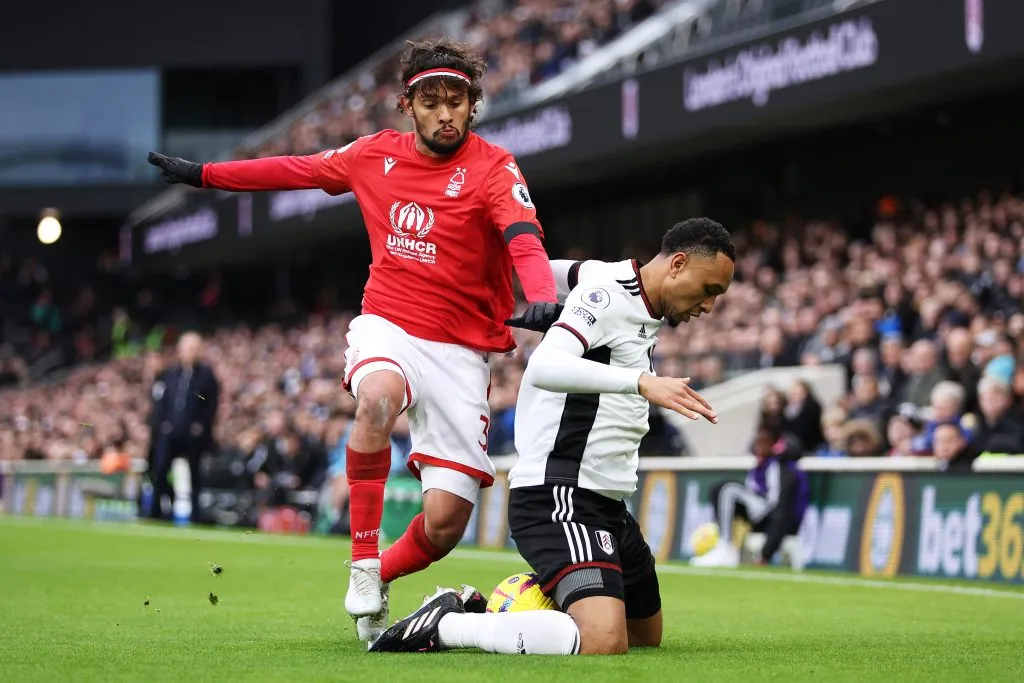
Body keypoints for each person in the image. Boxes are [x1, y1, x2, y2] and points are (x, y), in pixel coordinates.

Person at [147, 38, 561, 641]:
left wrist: (538, 291)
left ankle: (383, 576)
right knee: (375, 399)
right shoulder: (373, 156)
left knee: (445, 525)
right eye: (431, 100)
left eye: (457, 100)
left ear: (473, 106)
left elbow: (522, 234)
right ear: (406, 105)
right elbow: (295, 169)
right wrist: (207, 176)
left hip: (461, 352)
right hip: (388, 323)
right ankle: (363, 562)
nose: (445, 112)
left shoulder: (495, 167)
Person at [369, 217, 735, 655]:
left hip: (606, 504)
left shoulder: (610, 280)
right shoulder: (609, 296)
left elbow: (547, 271)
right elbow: (543, 367)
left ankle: (509, 607)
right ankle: (447, 625)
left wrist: (544, 295)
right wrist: (641, 381)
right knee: (603, 640)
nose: (709, 306)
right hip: (560, 495)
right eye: (709, 289)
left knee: (643, 636)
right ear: (677, 264)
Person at [691, 423, 809, 568]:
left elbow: (781, 509)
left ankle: (726, 548)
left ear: (774, 445)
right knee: (718, 490)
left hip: (772, 516)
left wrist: (766, 552)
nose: (758, 445)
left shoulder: (779, 467)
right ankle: (722, 545)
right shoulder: (760, 467)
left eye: (764, 441)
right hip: (762, 515)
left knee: (728, 490)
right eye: (757, 441)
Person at [147, 332, 220, 523]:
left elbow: (210, 404)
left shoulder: (206, 376)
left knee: (194, 473)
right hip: (169, 431)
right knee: (161, 469)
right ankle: (157, 508)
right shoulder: (170, 374)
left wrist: (201, 426)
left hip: (192, 433)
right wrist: (162, 424)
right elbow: (162, 402)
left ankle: (195, 513)